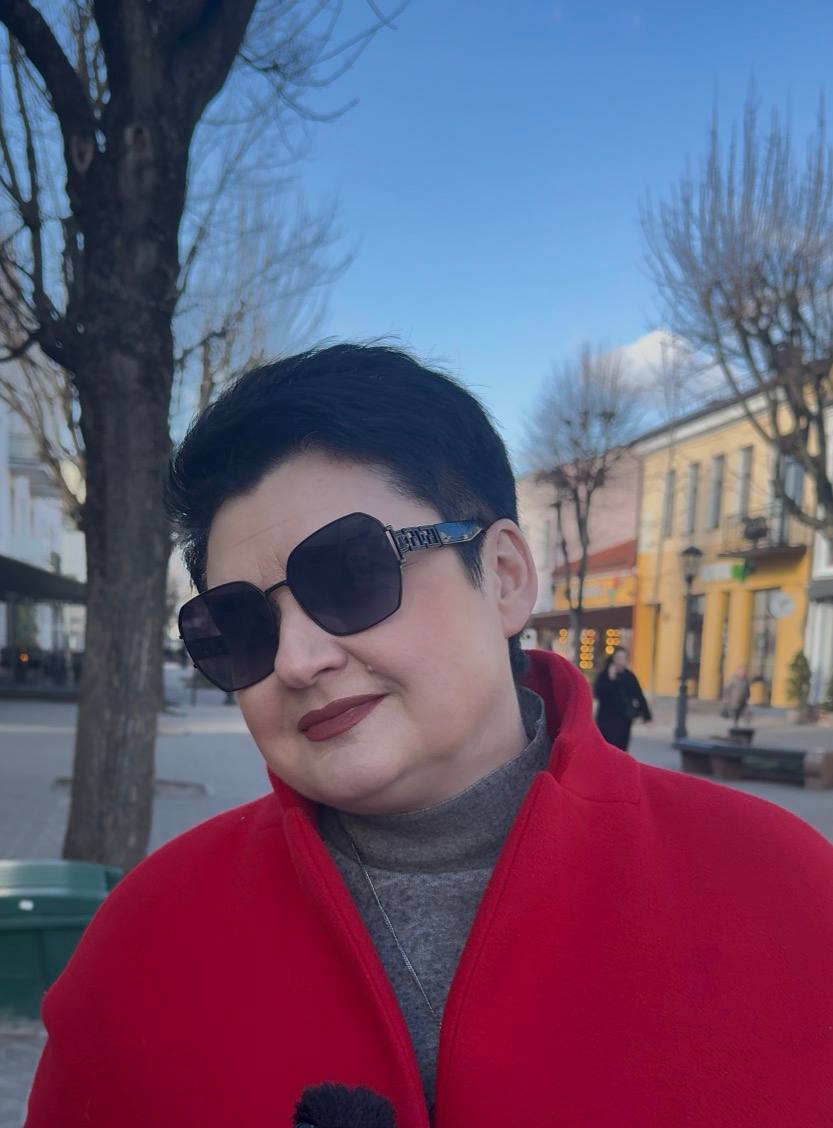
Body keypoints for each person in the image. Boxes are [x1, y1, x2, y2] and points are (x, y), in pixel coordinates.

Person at [25, 345, 833, 1128]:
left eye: (349, 574)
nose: (298, 660)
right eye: (238, 625)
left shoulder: (786, 896)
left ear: (505, 577)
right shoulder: (143, 944)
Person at [593, 645, 651, 751]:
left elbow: (639, 695)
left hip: (623, 719)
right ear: (613, 659)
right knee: (607, 748)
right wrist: (611, 680)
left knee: (621, 748)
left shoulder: (629, 676)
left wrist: (647, 716)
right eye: (618, 658)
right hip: (606, 719)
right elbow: (598, 693)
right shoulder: (604, 675)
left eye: (623, 658)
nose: (620, 661)